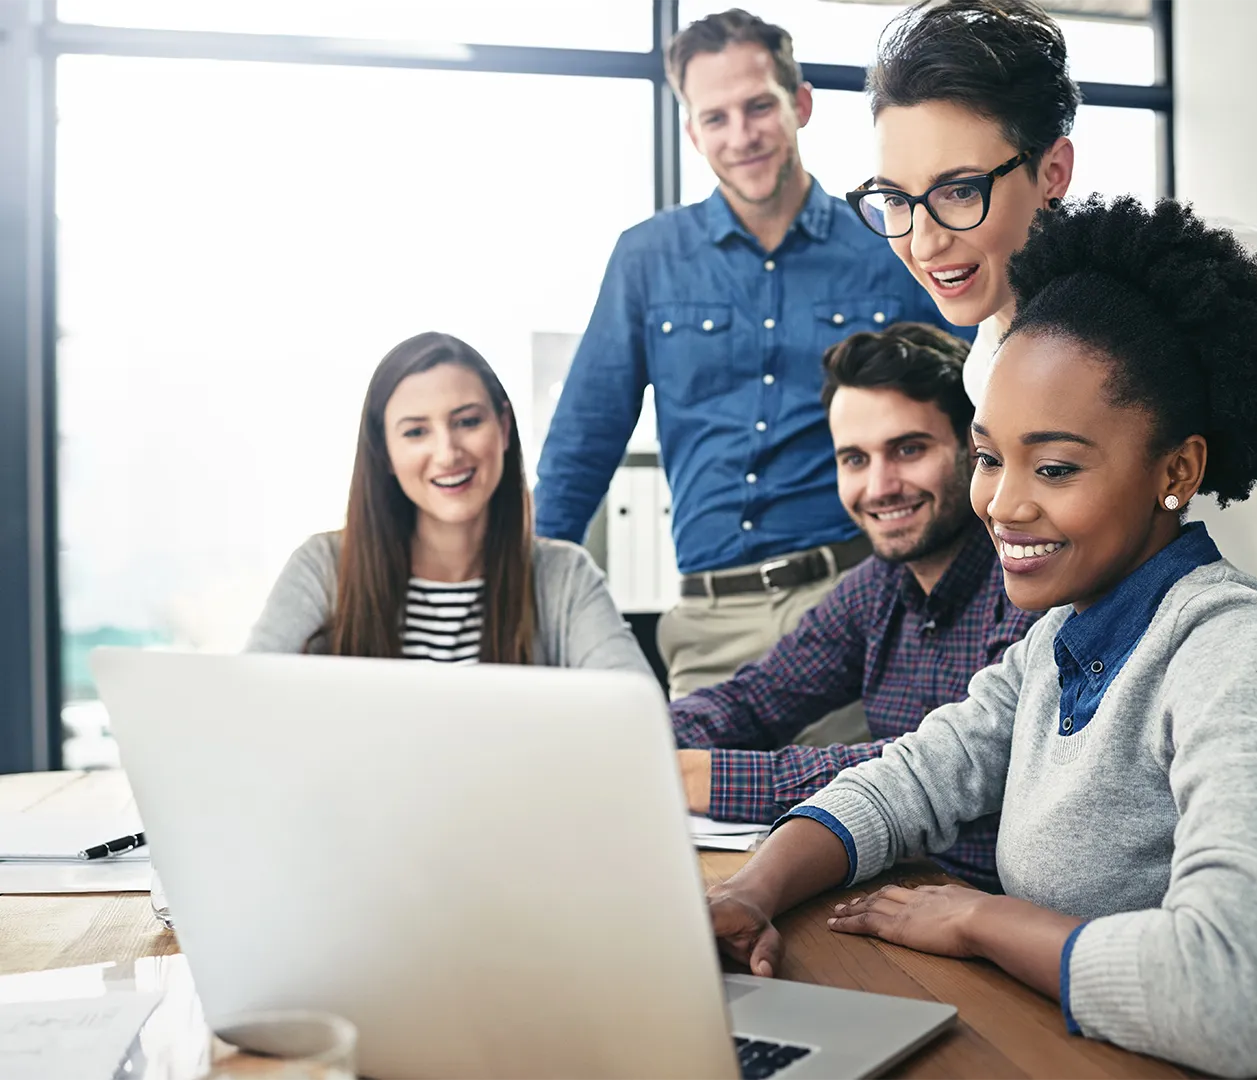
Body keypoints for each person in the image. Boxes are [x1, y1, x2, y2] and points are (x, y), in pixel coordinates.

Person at [708, 196, 1257, 1079]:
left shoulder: (1235, 649)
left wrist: (981, 920)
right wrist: (751, 890)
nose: (1002, 504)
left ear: (1175, 471)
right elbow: (908, 777)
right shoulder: (1057, 641)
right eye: (989, 457)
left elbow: (1243, 996)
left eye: (1053, 467)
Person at [846, 0, 1257, 812]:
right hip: (1174, 786)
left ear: (1052, 170)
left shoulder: (1239, 280)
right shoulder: (987, 376)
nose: (923, 239)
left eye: (958, 191)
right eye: (895, 200)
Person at [534, 9, 955, 720]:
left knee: (841, 826)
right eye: (715, 118)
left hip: (857, 606)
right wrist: (531, 610)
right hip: (706, 622)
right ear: (692, 133)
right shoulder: (646, 259)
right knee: (685, 822)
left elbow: (971, 407)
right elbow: (581, 445)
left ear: (800, 104)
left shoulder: (889, 241)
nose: (741, 135)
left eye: (758, 106)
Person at [675, 322, 1035, 890]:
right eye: (854, 460)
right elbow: (755, 699)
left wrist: (704, 776)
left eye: (909, 449)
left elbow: (938, 764)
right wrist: (643, 745)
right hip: (895, 893)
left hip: (993, 911)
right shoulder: (877, 585)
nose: (880, 487)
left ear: (976, 448)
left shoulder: (1026, 577)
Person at [247, 331, 650, 675]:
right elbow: (245, 708)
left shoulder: (565, 577)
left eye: (468, 422)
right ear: (384, 452)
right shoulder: (322, 567)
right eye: (416, 432)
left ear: (504, 427)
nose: (447, 453)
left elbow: (639, 723)